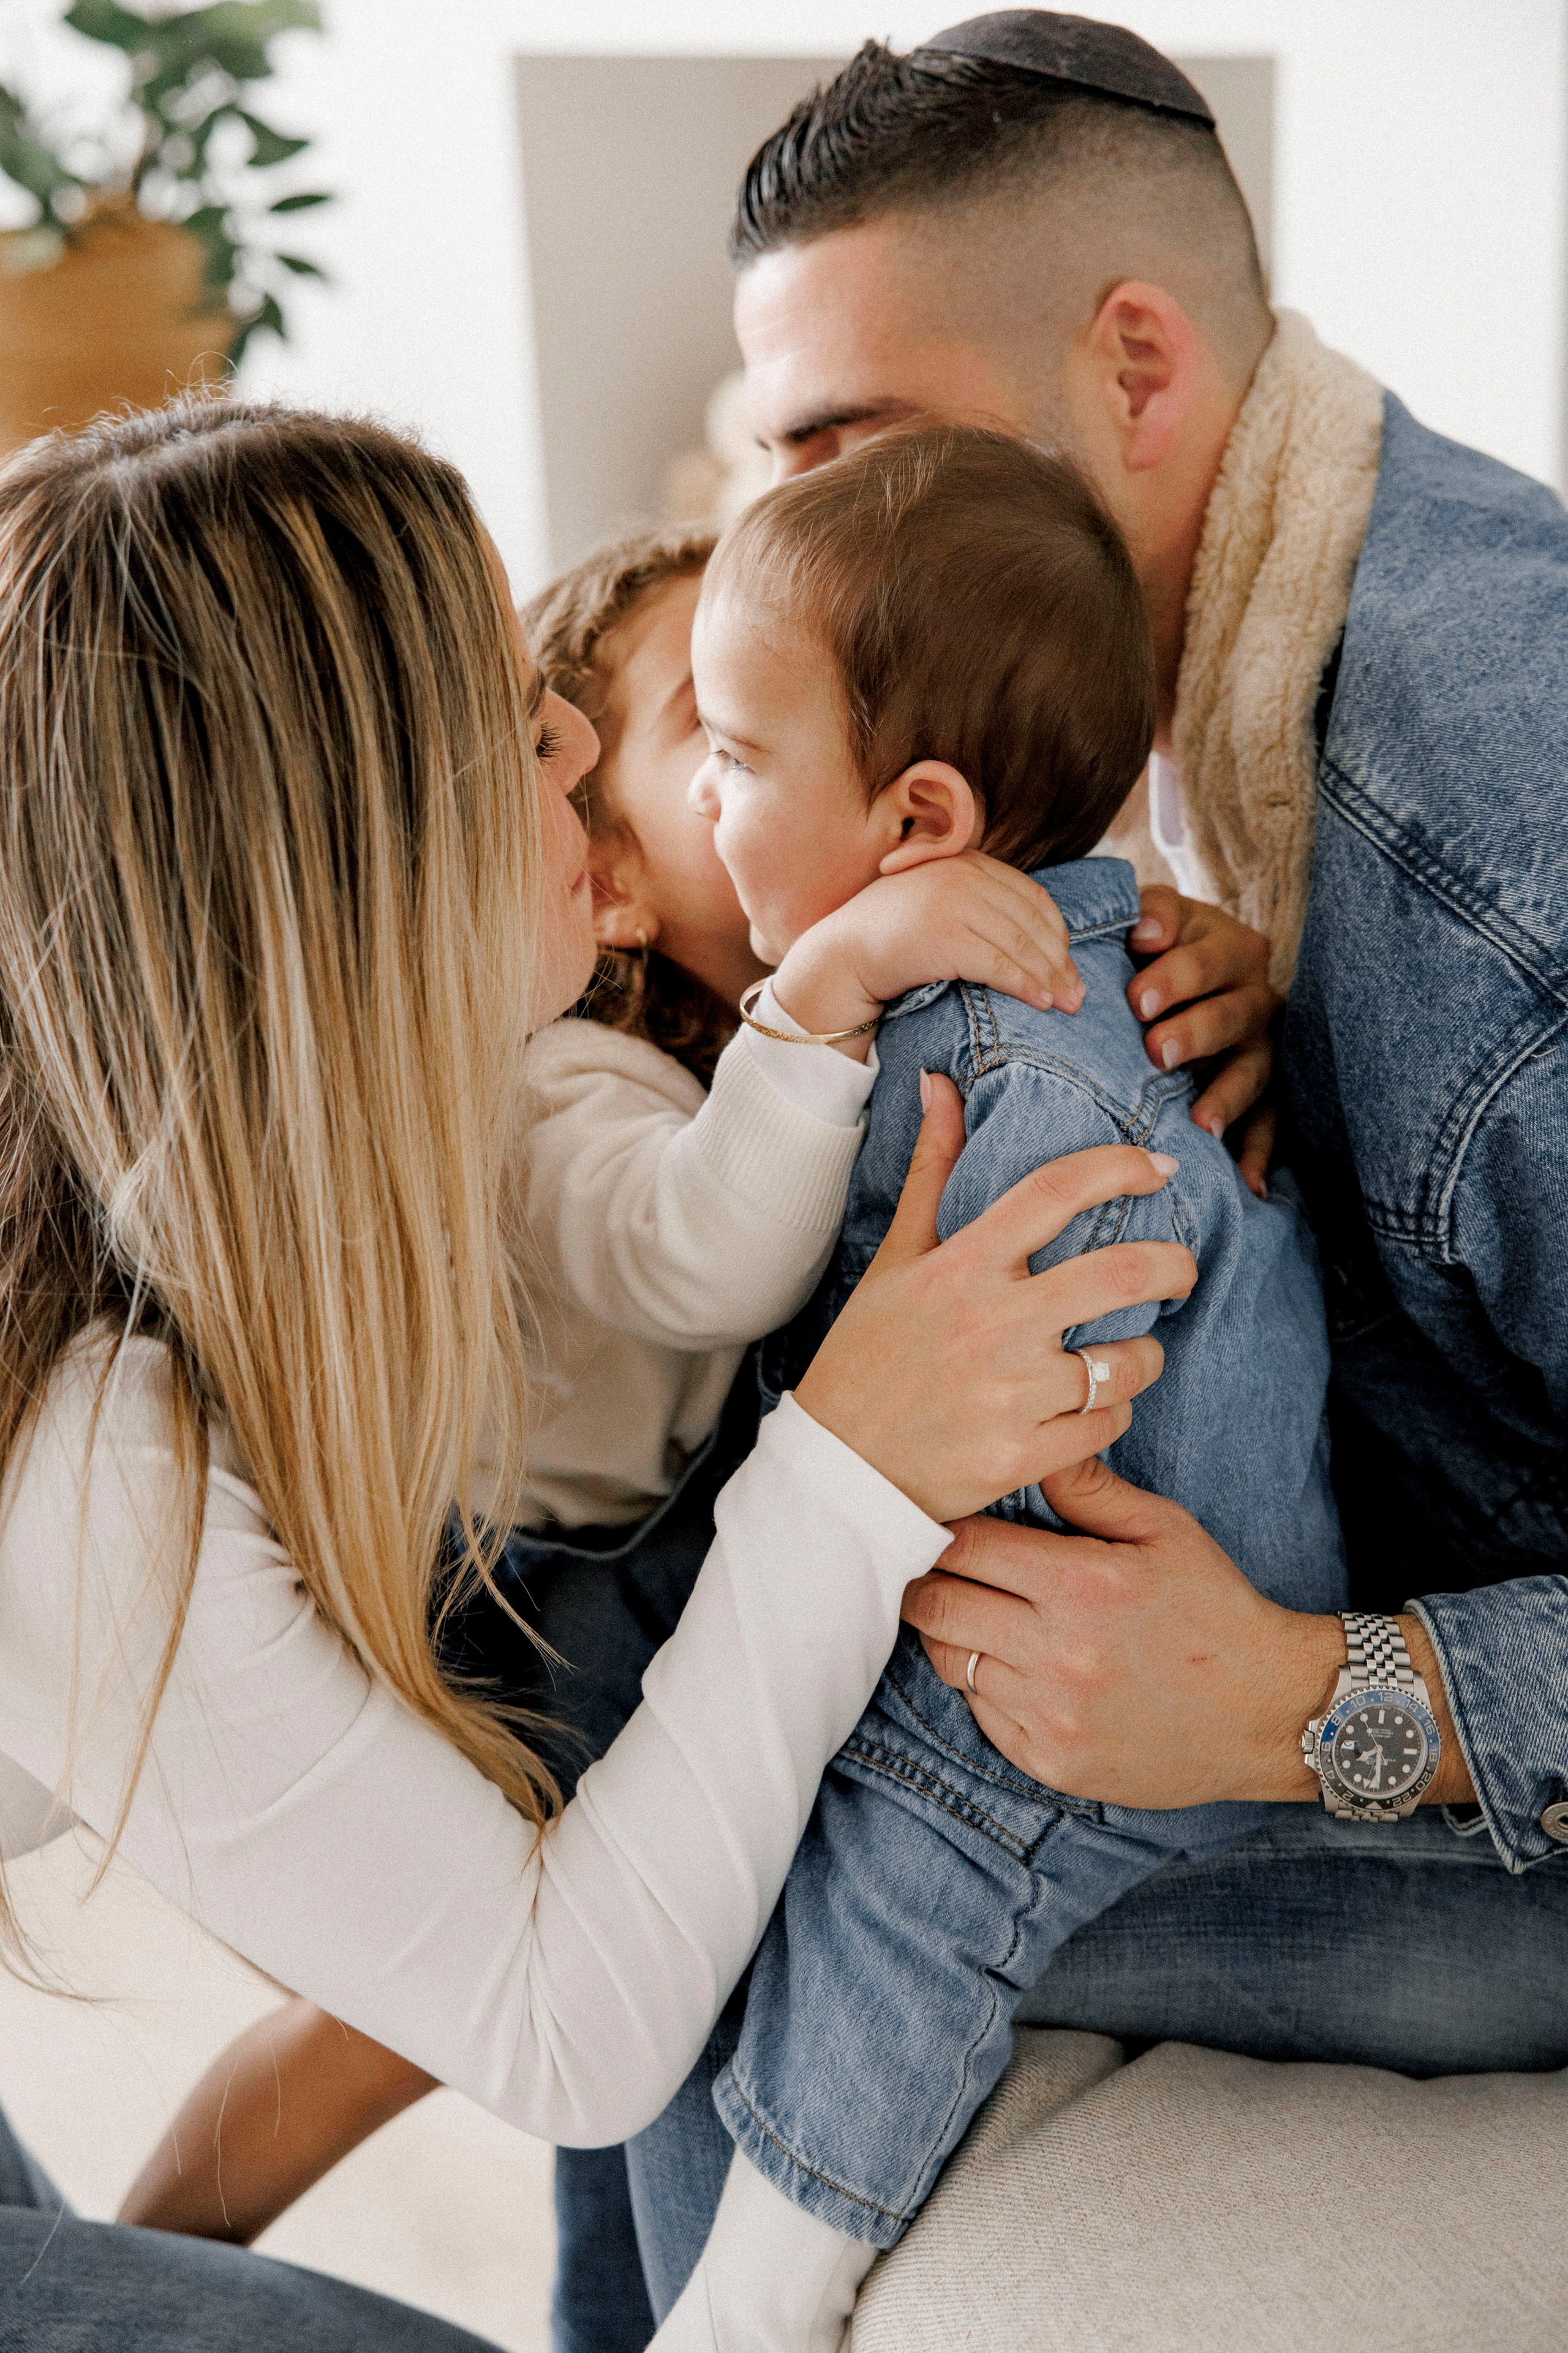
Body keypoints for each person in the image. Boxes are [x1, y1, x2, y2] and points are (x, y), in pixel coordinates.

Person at [0, 399, 1201, 2340]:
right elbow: (569, 2033)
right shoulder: (76, 1443)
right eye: (505, 711)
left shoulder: (336, 1157)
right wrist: (851, 1459)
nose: (566, 739)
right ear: (330, 860)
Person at [624, 8, 1568, 2332]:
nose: (801, 535)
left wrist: (1301, 1700)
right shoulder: (1239, 679)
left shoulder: (1487, 891)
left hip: (1460, 1771)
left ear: (1138, 371)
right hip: (1353, 1526)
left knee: (697, 1844)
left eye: (849, 445)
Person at [650, 418, 1347, 2349]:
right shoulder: (1065, 972)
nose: (706, 803)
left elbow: (1011, 1470)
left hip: (1095, 1668)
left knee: (911, 1843)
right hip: (1069, 1575)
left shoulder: (1010, 1081)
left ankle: (760, 2295)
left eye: (734, 752)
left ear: (919, 828)